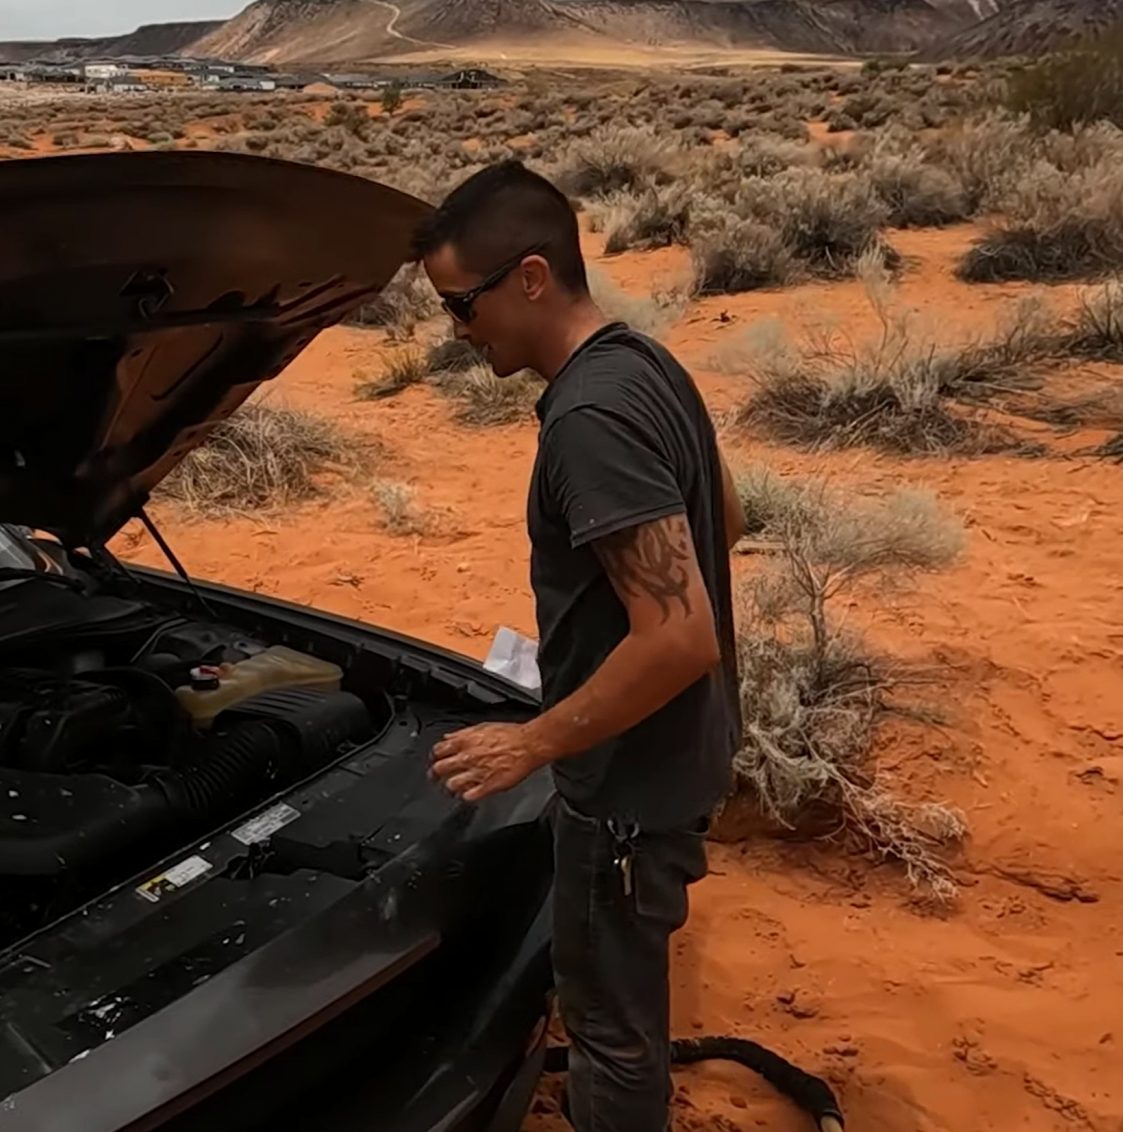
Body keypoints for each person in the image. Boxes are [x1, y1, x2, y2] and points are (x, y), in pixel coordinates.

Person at [414, 160, 746, 1132]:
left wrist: (534, 741)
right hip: (677, 754)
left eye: (460, 304)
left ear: (529, 277)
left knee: (609, 1029)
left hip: (627, 792)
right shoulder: (644, 363)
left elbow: (679, 636)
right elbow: (723, 518)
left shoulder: (588, 418)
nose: (457, 330)